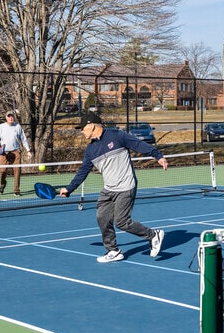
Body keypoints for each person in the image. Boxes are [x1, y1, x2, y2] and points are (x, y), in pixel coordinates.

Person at [59, 112, 167, 263]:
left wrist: (158, 156)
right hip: (109, 189)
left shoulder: (117, 136)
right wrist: (70, 188)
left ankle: (153, 235)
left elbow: (138, 145)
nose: (81, 131)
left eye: (82, 128)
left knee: (122, 221)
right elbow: (83, 171)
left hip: (126, 186)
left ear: (91, 126)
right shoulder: (90, 150)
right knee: (102, 217)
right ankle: (113, 250)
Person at [0, 111, 33, 196]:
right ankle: (3, 184)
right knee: (2, 171)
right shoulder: (1, 127)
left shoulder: (17, 127)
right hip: (4, 153)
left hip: (16, 152)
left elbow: (23, 139)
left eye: (12, 116)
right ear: (6, 118)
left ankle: (16, 190)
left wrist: (28, 150)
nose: (11, 118)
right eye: (9, 116)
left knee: (17, 171)